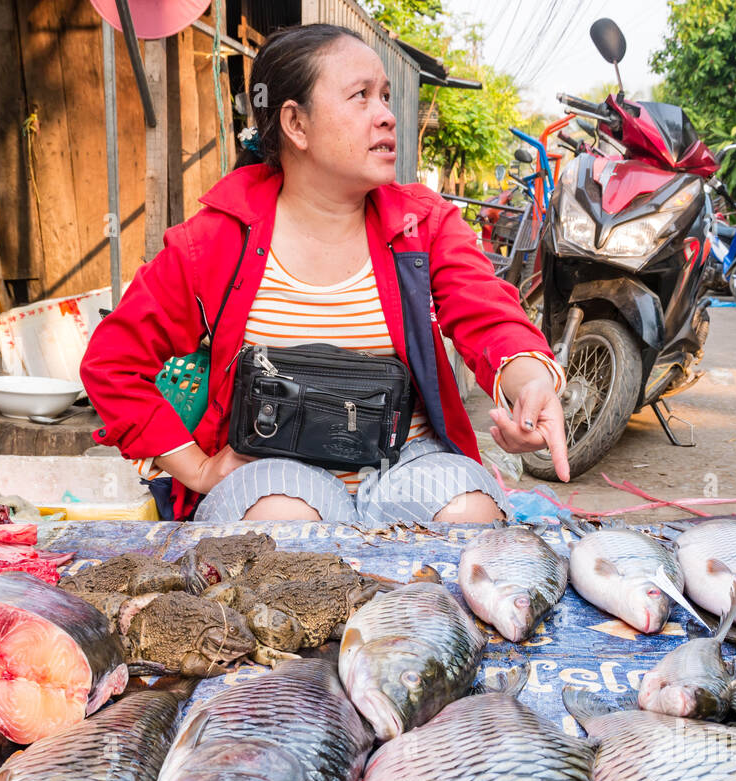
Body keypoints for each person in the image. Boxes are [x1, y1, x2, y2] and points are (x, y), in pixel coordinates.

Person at [81, 23, 569, 525]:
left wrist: (529, 384)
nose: (386, 116)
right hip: (271, 471)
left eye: (384, 95)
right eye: (361, 97)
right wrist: (199, 469)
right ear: (296, 124)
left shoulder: (421, 226)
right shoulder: (214, 242)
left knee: (470, 514)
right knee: (283, 522)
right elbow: (112, 363)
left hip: (405, 462)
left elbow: (489, 317)